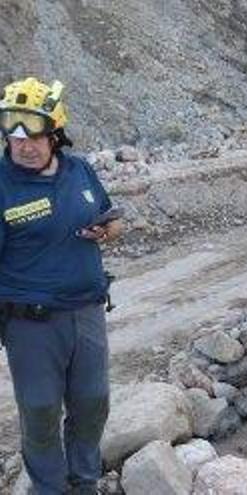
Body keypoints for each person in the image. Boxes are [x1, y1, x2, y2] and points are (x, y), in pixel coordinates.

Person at [0, 77, 122, 494]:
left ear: (55, 133)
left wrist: (108, 230)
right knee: (39, 410)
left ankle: (84, 482)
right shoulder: (2, 184)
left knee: (92, 403)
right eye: (12, 133)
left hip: (87, 311)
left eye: (33, 133)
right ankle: (49, 488)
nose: (23, 144)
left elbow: (109, 215)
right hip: (30, 323)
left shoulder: (81, 170)